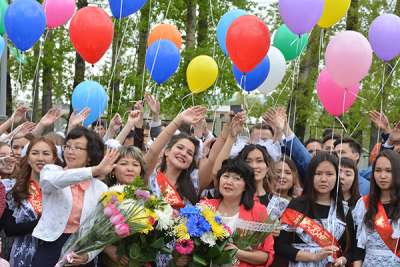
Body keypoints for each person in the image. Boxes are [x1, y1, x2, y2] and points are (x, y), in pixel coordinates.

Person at [31, 126, 119, 267]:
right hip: (50, 247)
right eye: (68, 146)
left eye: (77, 148)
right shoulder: (52, 171)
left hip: (81, 250)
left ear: (90, 155)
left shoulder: (100, 188)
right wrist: (95, 170)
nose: (70, 151)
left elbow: (101, 229)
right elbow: (50, 182)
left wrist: (88, 255)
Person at [274, 152, 356, 267]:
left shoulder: (343, 209)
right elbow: (280, 246)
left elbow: (351, 249)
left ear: (337, 177)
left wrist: (343, 259)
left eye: (329, 174)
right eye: (318, 173)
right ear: (310, 176)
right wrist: (313, 256)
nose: (323, 179)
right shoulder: (296, 205)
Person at [202, 158, 275, 267]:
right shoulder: (205, 206)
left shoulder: (258, 210)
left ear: (246, 186)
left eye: (237, 178)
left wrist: (238, 253)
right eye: (226, 176)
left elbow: (266, 256)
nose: (229, 182)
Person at [1, 137, 60, 267]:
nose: (40, 158)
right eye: (35, 153)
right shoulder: (13, 188)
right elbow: (9, 229)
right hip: (21, 255)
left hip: (54, 256)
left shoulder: (63, 190)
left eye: (46, 153)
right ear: (28, 158)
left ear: (54, 159)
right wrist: (41, 222)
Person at [144, 106, 217, 209]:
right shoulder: (151, 179)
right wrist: (179, 119)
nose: (183, 153)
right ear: (167, 151)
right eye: (180, 147)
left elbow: (212, 159)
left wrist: (229, 135)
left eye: (189, 153)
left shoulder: (192, 185)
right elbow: (152, 152)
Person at [352, 150, 400, 266]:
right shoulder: (364, 204)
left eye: (389, 171)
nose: (382, 176)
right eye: (378, 170)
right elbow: (358, 248)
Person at [101, 146, 146, 267]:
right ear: (113, 170)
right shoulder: (104, 194)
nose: (130, 169)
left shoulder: (147, 198)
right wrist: (107, 248)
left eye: (135, 165)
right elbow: (92, 229)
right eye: (124, 163)